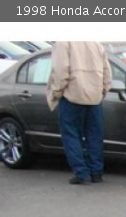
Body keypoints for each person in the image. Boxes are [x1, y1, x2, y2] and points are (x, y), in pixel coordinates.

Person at [46, 41, 112, 185]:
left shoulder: (63, 42)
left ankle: (81, 173)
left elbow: (60, 70)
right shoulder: (95, 42)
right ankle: (96, 172)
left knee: (71, 135)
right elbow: (106, 70)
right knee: (94, 136)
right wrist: (103, 89)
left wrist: (56, 92)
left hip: (72, 95)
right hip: (95, 97)